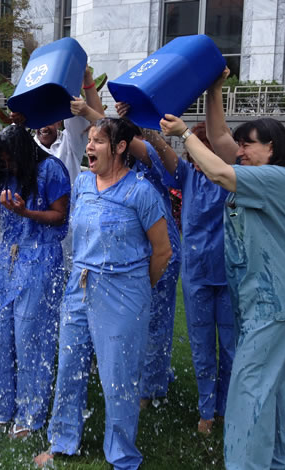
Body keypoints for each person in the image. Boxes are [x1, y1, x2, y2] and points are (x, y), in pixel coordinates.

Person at [160, 98, 285, 468]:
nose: (239, 151)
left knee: (249, 388)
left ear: (271, 148)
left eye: (248, 145)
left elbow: (220, 173)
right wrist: (214, 91)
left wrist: (183, 134)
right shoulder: (260, 173)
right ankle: (283, 461)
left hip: (276, 303)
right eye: (240, 145)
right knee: (269, 387)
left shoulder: (279, 178)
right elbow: (220, 137)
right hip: (262, 301)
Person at [35, 117, 172, 469]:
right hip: (79, 288)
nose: (90, 146)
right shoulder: (82, 184)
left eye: (98, 141)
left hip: (124, 293)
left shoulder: (140, 192)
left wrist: (138, 288)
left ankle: (123, 455)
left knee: (118, 377)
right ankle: (63, 441)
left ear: (120, 147)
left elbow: (162, 251)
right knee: (68, 367)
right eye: (90, 139)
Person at [131, 114, 235, 434]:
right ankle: (206, 410)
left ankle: (228, 408)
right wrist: (144, 117)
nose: (200, 156)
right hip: (197, 278)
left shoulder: (234, 180)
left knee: (231, 348)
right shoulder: (188, 177)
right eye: (196, 150)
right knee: (202, 346)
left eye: (207, 149)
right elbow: (157, 149)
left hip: (231, 277)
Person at [0, 125, 70, 439]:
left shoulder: (51, 169)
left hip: (40, 259)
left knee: (31, 338)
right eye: (1, 161)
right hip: (6, 260)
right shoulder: (3, 172)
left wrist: (27, 212)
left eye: (10, 160)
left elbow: (61, 217)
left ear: (24, 154)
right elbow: (3, 213)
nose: (6, 166)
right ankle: (0, 410)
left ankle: (31, 414)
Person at [115, 108, 182, 409]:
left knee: (156, 320)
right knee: (139, 317)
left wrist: (139, 119)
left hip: (162, 250)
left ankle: (150, 388)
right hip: (138, 253)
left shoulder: (150, 158)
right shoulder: (125, 170)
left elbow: (121, 136)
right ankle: (149, 376)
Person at [31, 67, 105, 186]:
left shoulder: (71, 142)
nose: (44, 127)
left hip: (71, 204)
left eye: (49, 122)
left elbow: (103, 126)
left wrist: (81, 77)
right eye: (40, 122)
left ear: (58, 122)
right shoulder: (27, 146)